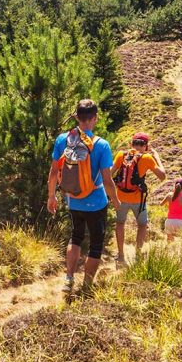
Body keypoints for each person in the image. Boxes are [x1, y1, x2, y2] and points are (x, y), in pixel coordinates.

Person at [47, 99, 118, 298]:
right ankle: (86, 285)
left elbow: (54, 172)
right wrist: (116, 201)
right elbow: (107, 179)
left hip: (73, 199)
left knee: (75, 237)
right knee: (96, 244)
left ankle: (69, 279)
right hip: (96, 203)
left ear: (77, 117)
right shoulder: (102, 145)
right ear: (95, 119)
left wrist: (52, 196)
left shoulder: (63, 140)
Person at [112, 132, 166, 263]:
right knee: (142, 225)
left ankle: (120, 255)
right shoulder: (147, 158)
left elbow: (109, 173)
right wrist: (157, 157)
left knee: (120, 224)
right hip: (138, 200)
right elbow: (162, 176)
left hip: (120, 197)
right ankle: (138, 253)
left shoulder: (121, 155)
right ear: (146, 146)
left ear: (132, 144)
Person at [161, 178, 182, 242]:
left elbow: (161, 204)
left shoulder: (169, 195)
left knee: (169, 241)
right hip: (181, 222)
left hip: (169, 222)